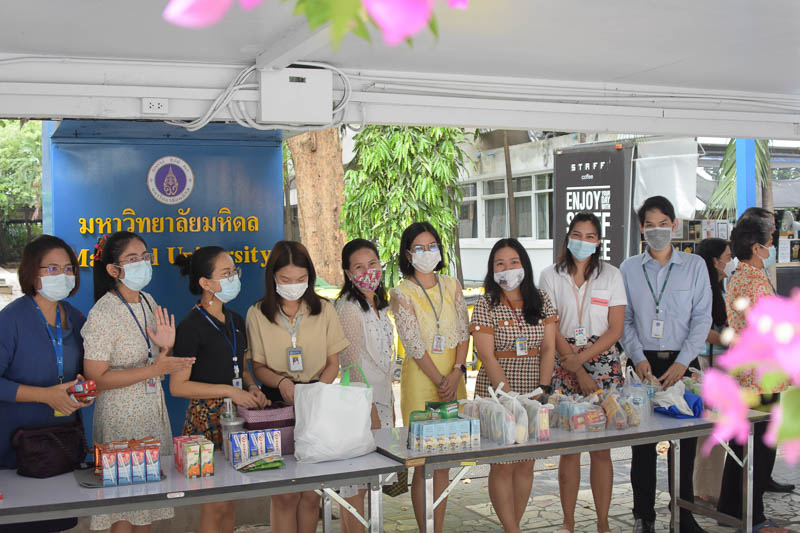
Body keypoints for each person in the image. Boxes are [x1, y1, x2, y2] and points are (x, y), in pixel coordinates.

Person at [83, 231, 195, 533]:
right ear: (113, 269)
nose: (142, 263)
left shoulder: (147, 301)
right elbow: (96, 379)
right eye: (132, 259)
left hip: (150, 413)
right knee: (124, 509)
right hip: (120, 419)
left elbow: (155, 357)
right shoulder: (103, 312)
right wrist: (154, 368)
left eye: (145, 256)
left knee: (147, 505)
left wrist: (166, 347)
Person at [619, 196, 712, 533]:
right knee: (642, 443)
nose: (656, 231)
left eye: (663, 224)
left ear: (674, 225)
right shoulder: (629, 268)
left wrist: (683, 362)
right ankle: (643, 515)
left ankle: (683, 514)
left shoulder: (695, 266)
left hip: (682, 364)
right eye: (649, 225)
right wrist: (639, 358)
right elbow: (624, 320)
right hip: (642, 363)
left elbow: (702, 318)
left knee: (684, 444)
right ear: (641, 228)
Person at [246, 240, 350, 533]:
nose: (294, 285)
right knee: (284, 493)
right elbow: (258, 367)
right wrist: (282, 383)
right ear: (273, 277)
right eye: (286, 279)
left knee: (310, 492)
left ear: (310, 277)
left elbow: (333, 363)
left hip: (317, 400)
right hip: (277, 403)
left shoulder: (324, 310)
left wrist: (315, 393)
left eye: (301, 279)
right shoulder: (257, 313)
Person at [170, 246, 269, 533]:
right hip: (205, 422)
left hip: (237, 416)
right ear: (205, 283)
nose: (234, 278)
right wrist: (229, 391)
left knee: (230, 500)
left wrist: (252, 387)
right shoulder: (190, 326)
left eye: (234, 272)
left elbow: (243, 367)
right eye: (226, 273)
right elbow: (178, 386)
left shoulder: (236, 319)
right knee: (214, 503)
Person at [539, 213, 627, 533]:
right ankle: (569, 521)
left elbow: (615, 329)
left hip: (602, 362)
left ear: (598, 242)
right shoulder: (550, 275)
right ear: (568, 238)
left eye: (590, 236)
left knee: (601, 449)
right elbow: (550, 324)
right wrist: (574, 365)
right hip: (564, 361)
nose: (583, 241)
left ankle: (603, 522)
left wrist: (583, 361)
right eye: (577, 235)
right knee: (570, 449)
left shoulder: (612, 275)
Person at [0, 235, 93, 533]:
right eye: (52, 269)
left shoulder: (75, 318)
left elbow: (81, 372)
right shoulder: (11, 319)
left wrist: (83, 391)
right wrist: (44, 396)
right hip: (16, 447)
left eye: (68, 269)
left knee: (56, 521)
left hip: (62, 444)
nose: (62, 275)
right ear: (32, 273)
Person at [470, 238, 557, 533]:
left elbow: (549, 348)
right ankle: (512, 529)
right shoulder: (486, 303)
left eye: (513, 262)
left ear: (524, 265)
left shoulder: (541, 300)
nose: (507, 268)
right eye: (500, 264)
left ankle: (513, 526)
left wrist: (543, 388)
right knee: (503, 462)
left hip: (533, 391)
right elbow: (486, 354)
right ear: (492, 270)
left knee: (526, 462)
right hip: (497, 393)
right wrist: (509, 398)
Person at [390, 222, 469, 533]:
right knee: (423, 463)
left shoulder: (452, 285)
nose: (427, 252)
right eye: (419, 247)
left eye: (432, 245)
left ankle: (438, 527)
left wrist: (457, 372)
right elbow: (413, 344)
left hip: (454, 377)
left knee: (444, 461)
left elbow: (464, 332)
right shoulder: (401, 292)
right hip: (422, 382)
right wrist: (440, 380)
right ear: (408, 254)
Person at [716, 217, 789, 533]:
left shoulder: (741, 277)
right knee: (760, 450)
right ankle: (754, 517)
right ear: (757, 247)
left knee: (742, 447)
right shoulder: (754, 282)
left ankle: (730, 509)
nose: (772, 245)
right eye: (770, 241)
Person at [335, 239, 395, 533]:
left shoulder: (379, 305)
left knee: (374, 481)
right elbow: (352, 365)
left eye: (372, 264)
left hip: (383, 401)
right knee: (356, 485)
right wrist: (369, 410)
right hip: (361, 407)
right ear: (348, 273)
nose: (367, 271)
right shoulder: (348, 308)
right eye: (358, 267)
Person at [691, 238, 732, 506]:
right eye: (727, 255)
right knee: (710, 427)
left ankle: (711, 486)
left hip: (722, 362)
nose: (730, 259)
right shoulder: (703, 288)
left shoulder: (721, 285)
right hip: (709, 362)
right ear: (715, 260)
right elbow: (702, 329)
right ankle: (704, 489)